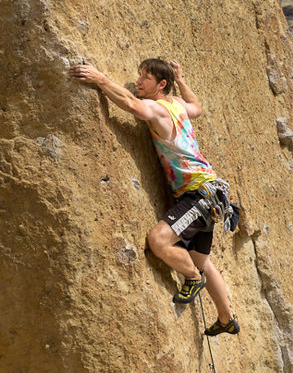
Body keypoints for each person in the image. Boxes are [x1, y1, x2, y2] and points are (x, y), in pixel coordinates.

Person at [70, 58, 239, 337]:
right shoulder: (177, 104)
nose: (138, 81)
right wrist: (182, 80)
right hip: (212, 194)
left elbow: (132, 106)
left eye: (145, 77)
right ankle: (225, 318)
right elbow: (197, 107)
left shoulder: (160, 109)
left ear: (161, 85)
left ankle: (193, 279)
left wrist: (100, 79)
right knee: (202, 260)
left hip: (199, 194)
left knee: (159, 241)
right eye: (139, 75)